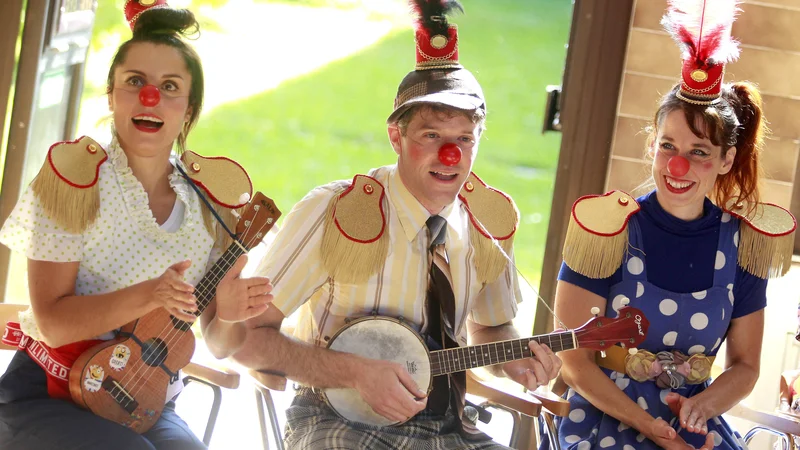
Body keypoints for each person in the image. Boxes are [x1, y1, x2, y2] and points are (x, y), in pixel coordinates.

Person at [204, 1, 561, 449]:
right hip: (336, 420)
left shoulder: (484, 224)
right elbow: (248, 340)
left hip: (448, 426)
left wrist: (515, 361)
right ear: (397, 136)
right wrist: (355, 372)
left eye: (464, 140)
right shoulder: (335, 212)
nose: (450, 156)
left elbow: (491, 330)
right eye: (432, 135)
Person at [0, 1, 272, 449]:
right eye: (134, 82)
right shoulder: (74, 182)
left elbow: (220, 344)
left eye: (169, 86)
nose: (151, 98)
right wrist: (150, 293)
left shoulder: (210, 206)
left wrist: (227, 313)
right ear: (111, 95)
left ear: (189, 108)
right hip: (48, 395)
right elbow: (50, 324)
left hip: (142, 403)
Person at [550, 1, 797, 449]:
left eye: (699, 151)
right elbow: (574, 362)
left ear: (725, 160)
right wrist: (649, 428)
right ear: (652, 145)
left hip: (691, 427)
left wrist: (702, 408)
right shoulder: (606, 231)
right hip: (605, 420)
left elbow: (744, 365)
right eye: (668, 146)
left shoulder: (744, 246)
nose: (678, 165)